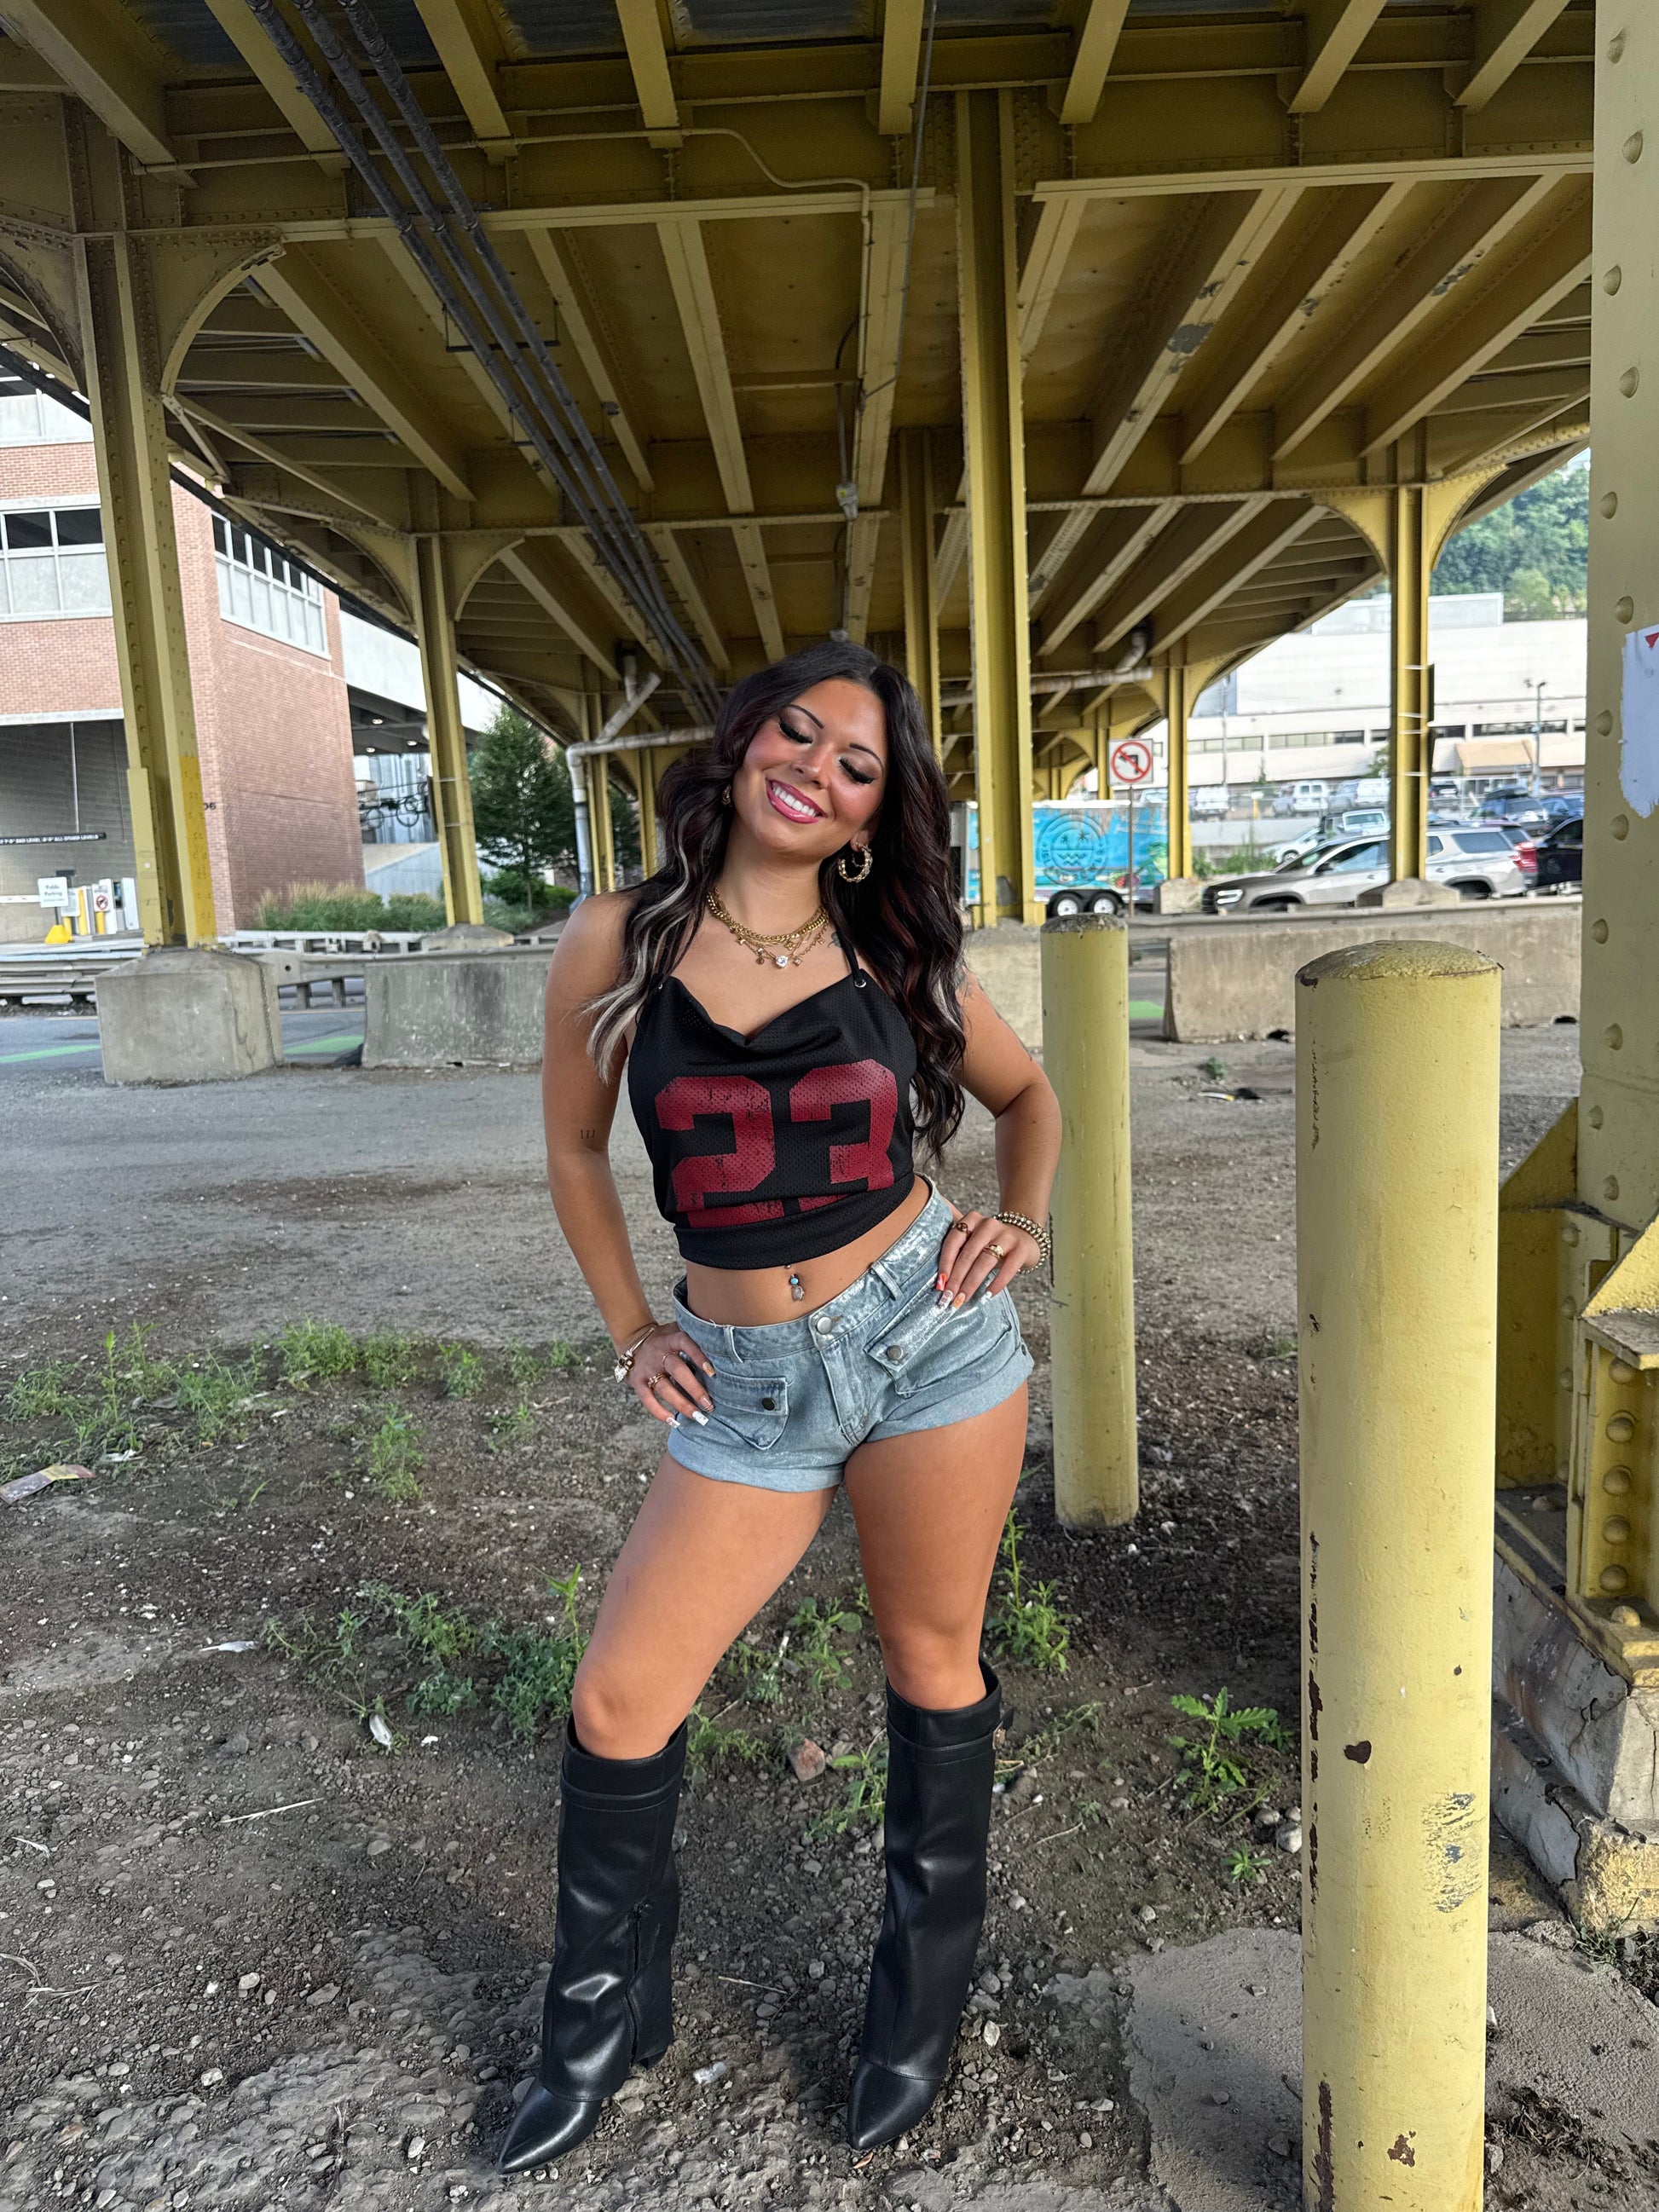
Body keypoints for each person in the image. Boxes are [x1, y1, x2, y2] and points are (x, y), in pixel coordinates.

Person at [498, 640, 1061, 2174]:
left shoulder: (890, 945)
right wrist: (632, 1330)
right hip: (743, 1383)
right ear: (745, 742)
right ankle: (602, 2022)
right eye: (797, 735)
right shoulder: (616, 937)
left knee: (929, 1662)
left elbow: (1028, 1097)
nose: (814, 769)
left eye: (855, 763)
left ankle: (910, 2021)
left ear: (873, 813)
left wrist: (1018, 1220)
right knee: (619, 1700)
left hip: (927, 1341)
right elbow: (574, 1151)